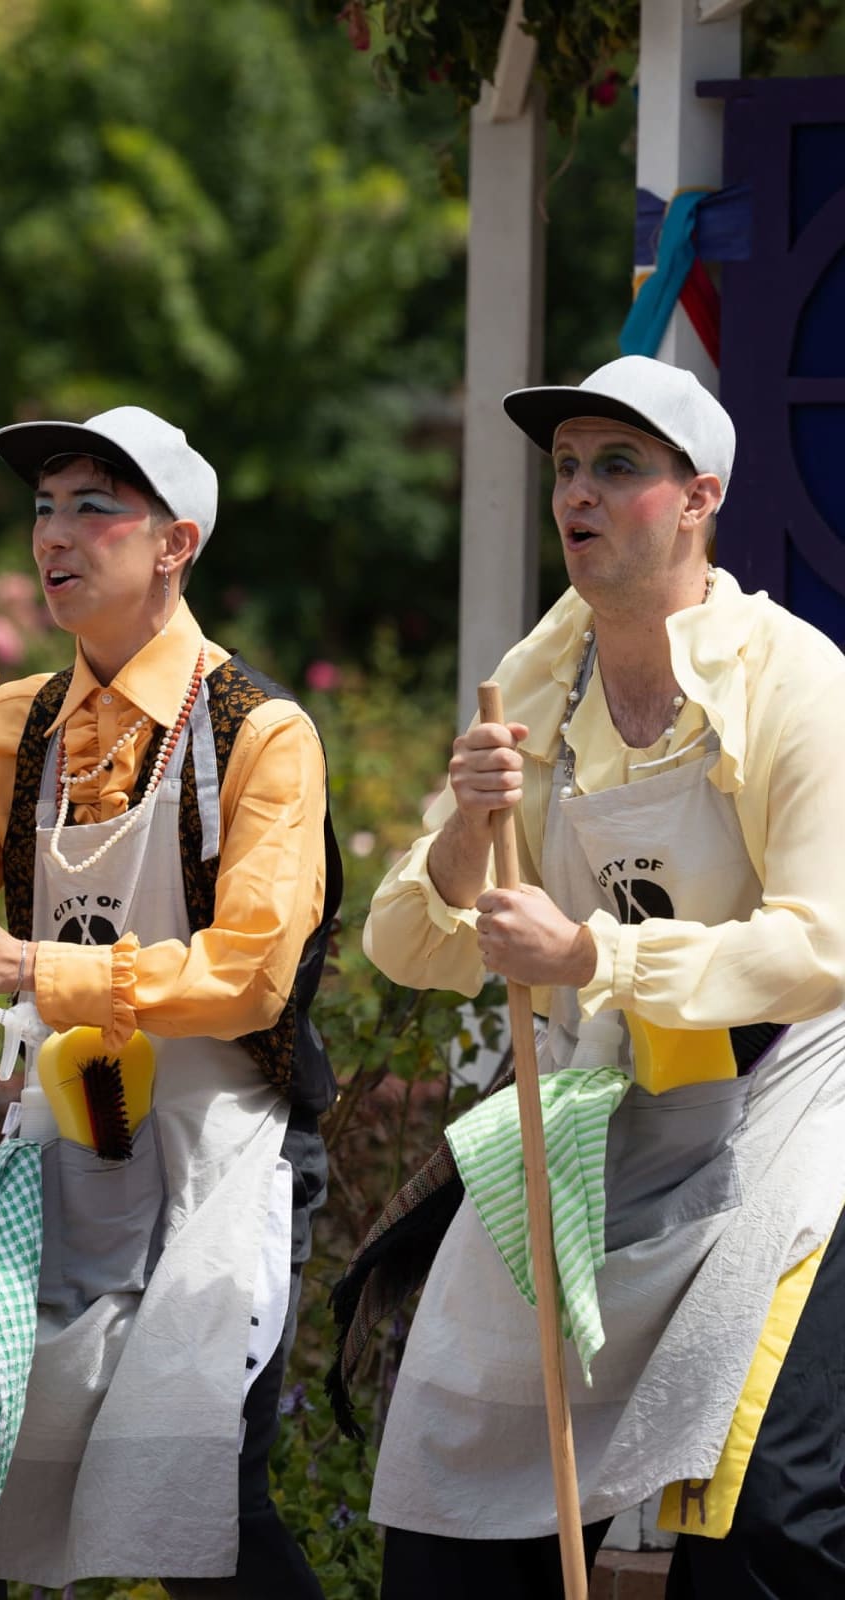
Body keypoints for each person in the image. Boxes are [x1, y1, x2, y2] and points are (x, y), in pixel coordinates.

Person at [0, 406, 340, 1597]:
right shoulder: (10, 722)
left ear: (176, 543)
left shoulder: (263, 732)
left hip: (222, 1152)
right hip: (61, 1145)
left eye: (94, 508)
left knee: (198, 1500)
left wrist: (32, 969)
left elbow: (251, 975)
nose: (54, 534)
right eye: (44, 508)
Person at [360, 355, 845, 1598]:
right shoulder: (535, 675)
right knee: (452, 1456)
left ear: (700, 499)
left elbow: (820, 949)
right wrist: (467, 834)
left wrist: (595, 955)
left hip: (790, 1103)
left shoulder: (796, 678)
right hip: (601, 1107)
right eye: (566, 466)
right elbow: (405, 945)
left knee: (763, 1503)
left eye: (616, 466)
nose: (575, 492)